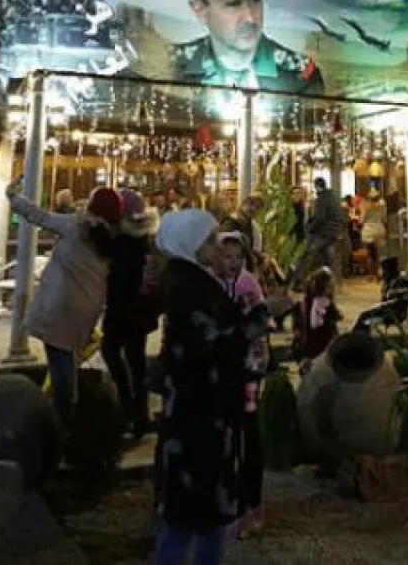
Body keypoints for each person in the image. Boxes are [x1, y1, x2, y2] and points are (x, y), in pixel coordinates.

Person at [153, 210, 258, 565]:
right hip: (196, 416)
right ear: (192, 244)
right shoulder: (189, 290)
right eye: (211, 240)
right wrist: (257, 320)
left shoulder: (194, 282)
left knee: (206, 517)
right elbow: (212, 344)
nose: (217, 246)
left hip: (203, 414)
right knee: (189, 516)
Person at [7, 180, 118, 431]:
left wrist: (14, 197)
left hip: (58, 305)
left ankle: (64, 421)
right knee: (66, 358)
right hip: (87, 307)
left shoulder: (75, 225)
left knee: (60, 364)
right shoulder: (116, 238)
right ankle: (67, 413)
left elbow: (38, 216)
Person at [172, 0, 323, 95]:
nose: (251, 17)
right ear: (200, 10)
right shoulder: (173, 65)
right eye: (234, 3)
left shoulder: (299, 75)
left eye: (256, 0)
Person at [217, 232, 270, 540]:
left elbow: (258, 326)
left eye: (238, 257)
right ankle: (228, 502)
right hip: (224, 374)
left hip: (247, 371)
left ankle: (250, 505)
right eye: (227, 256)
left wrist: (260, 358)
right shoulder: (212, 284)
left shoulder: (249, 285)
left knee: (247, 439)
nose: (233, 263)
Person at [104, 189, 159, 439]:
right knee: (134, 360)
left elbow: (120, 278)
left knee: (119, 354)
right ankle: (138, 412)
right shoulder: (145, 240)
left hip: (124, 309)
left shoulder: (121, 243)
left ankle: (132, 411)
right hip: (139, 311)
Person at [294, 178, 342, 286]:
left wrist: (309, 228)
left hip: (323, 233)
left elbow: (320, 219)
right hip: (333, 232)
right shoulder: (334, 197)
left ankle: (299, 281)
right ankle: (331, 281)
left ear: (317, 187)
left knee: (306, 256)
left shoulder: (322, 199)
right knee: (328, 258)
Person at [293, 267, 341, 372]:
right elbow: (334, 325)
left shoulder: (302, 303)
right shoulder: (327, 304)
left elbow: (297, 328)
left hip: (307, 351)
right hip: (323, 350)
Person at [219, 193, 264, 273]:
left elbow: (247, 247)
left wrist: (259, 256)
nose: (253, 208)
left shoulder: (249, 224)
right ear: (242, 204)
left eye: (257, 207)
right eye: (251, 203)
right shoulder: (231, 222)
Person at [360, 191, 387, 261]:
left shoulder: (365, 206)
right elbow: (384, 219)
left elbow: (361, 220)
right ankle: (379, 267)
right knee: (379, 254)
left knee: (369, 254)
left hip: (368, 231)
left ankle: (371, 267)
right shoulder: (382, 205)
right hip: (380, 229)